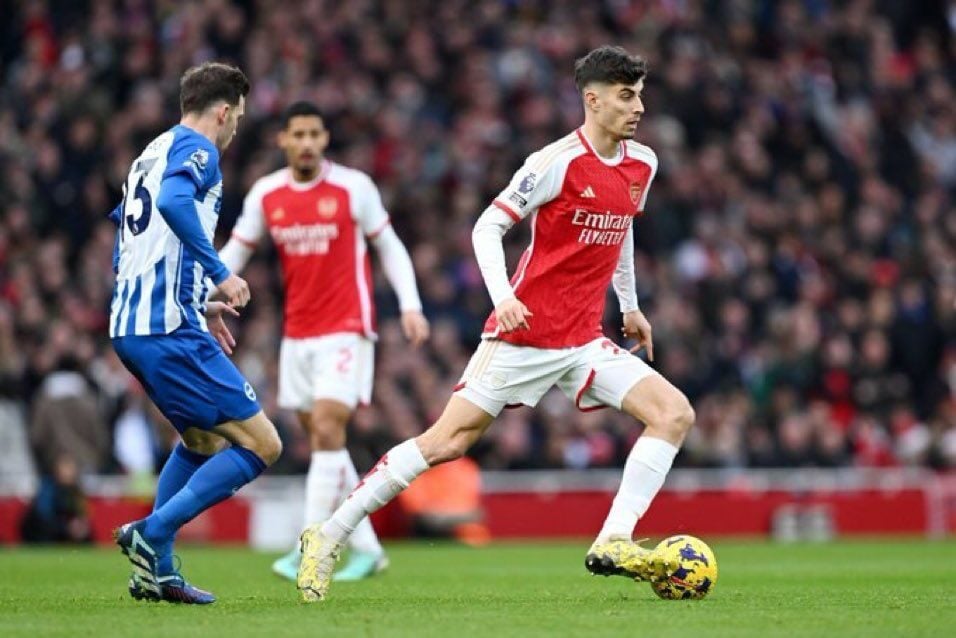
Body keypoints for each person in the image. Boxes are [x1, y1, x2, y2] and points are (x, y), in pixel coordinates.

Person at [297, 45, 695, 602]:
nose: (639, 107)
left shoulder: (643, 164)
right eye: (627, 96)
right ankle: (327, 534)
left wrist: (629, 305)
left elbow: (622, 226)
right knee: (445, 443)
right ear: (593, 99)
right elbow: (487, 227)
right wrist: (504, 297)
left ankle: (613, 540)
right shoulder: (553, 163)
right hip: (524, 333)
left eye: (640, 95)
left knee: (673, 413)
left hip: (584, 338)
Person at [219, 101, 429, 583]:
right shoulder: (268, 194)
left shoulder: (354, 187)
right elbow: (236, 252)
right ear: (284, 141)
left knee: (330, 431)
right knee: (325, 445)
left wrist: (411, 304)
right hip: (297, 337)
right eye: (299, 134)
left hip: (347, 329)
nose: (308, 142)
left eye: (316, 133)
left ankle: (309, 545)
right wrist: (200, 287)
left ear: (325, 138)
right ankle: (370, 550)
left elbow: (389, 245)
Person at [108, 62, 283, 605]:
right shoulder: (198, 149)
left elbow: (128, 235)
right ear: (224, 111)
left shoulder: (149, 154)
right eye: (239, 119)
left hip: (133, 324)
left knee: (200, 441)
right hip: (167, 329)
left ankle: (155, 573)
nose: (235, 131)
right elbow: (173, 204)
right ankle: (152, 532)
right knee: (263, 444)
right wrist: (220, 274)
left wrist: (191, 296)